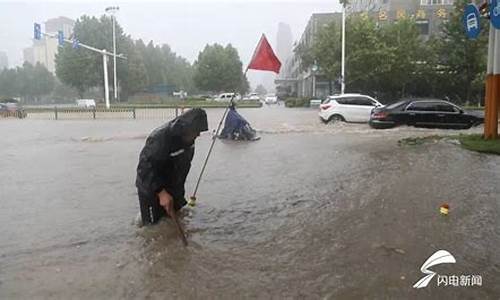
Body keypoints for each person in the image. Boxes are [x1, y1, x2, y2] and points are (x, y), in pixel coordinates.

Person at [136, 108, 208, 225]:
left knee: (177, 220)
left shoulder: (189, 141)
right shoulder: (160, 138)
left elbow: (184, 166)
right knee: (152, 228)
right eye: (196, 131)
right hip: (151, 187)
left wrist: (178, 193)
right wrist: (161, 193)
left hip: (174, 187)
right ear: (186, 129)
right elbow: (145, 169)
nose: (198, 135)